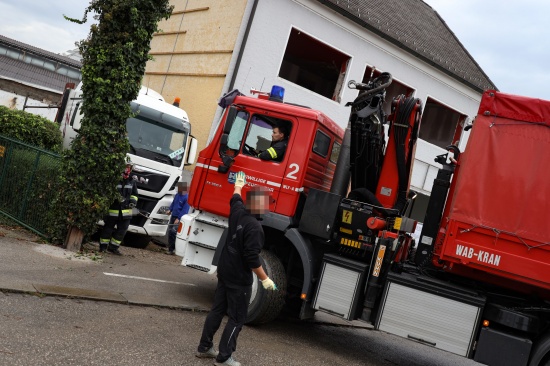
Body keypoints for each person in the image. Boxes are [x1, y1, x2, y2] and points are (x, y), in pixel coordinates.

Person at [195, 172, 277, 366]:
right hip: (239, 279)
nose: (267, 207)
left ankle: (205, 348)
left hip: (224, 271)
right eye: (266, 203)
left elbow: (235, 197)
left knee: (217, 310)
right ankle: (223, 357)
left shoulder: (238, 211)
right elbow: (252, 259)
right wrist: (265, 279)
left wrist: (239, 185)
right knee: (237, 318)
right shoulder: (255, 228)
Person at [99, 161, 139, 255]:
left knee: (122, 230)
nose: (127, 169)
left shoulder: (132, 180)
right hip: (114, 210)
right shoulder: (114, 179)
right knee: (108, 229)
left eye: (129, 167)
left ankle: (113, 247)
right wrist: (116, 197)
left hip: (127, 211)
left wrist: (133, 202)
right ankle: (103, 247)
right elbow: (108, 191)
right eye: (126, 166)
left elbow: (135, 194)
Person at [166, 182, 190, 255]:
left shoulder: (187, 198)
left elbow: (185, 210)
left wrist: (179, 218)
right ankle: (170, 249)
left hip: (179, 218)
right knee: (170, 232)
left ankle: (173, 249)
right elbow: (173, 203)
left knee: (174, 232)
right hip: (173, 216)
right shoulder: (177, 195)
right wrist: (170, 210)